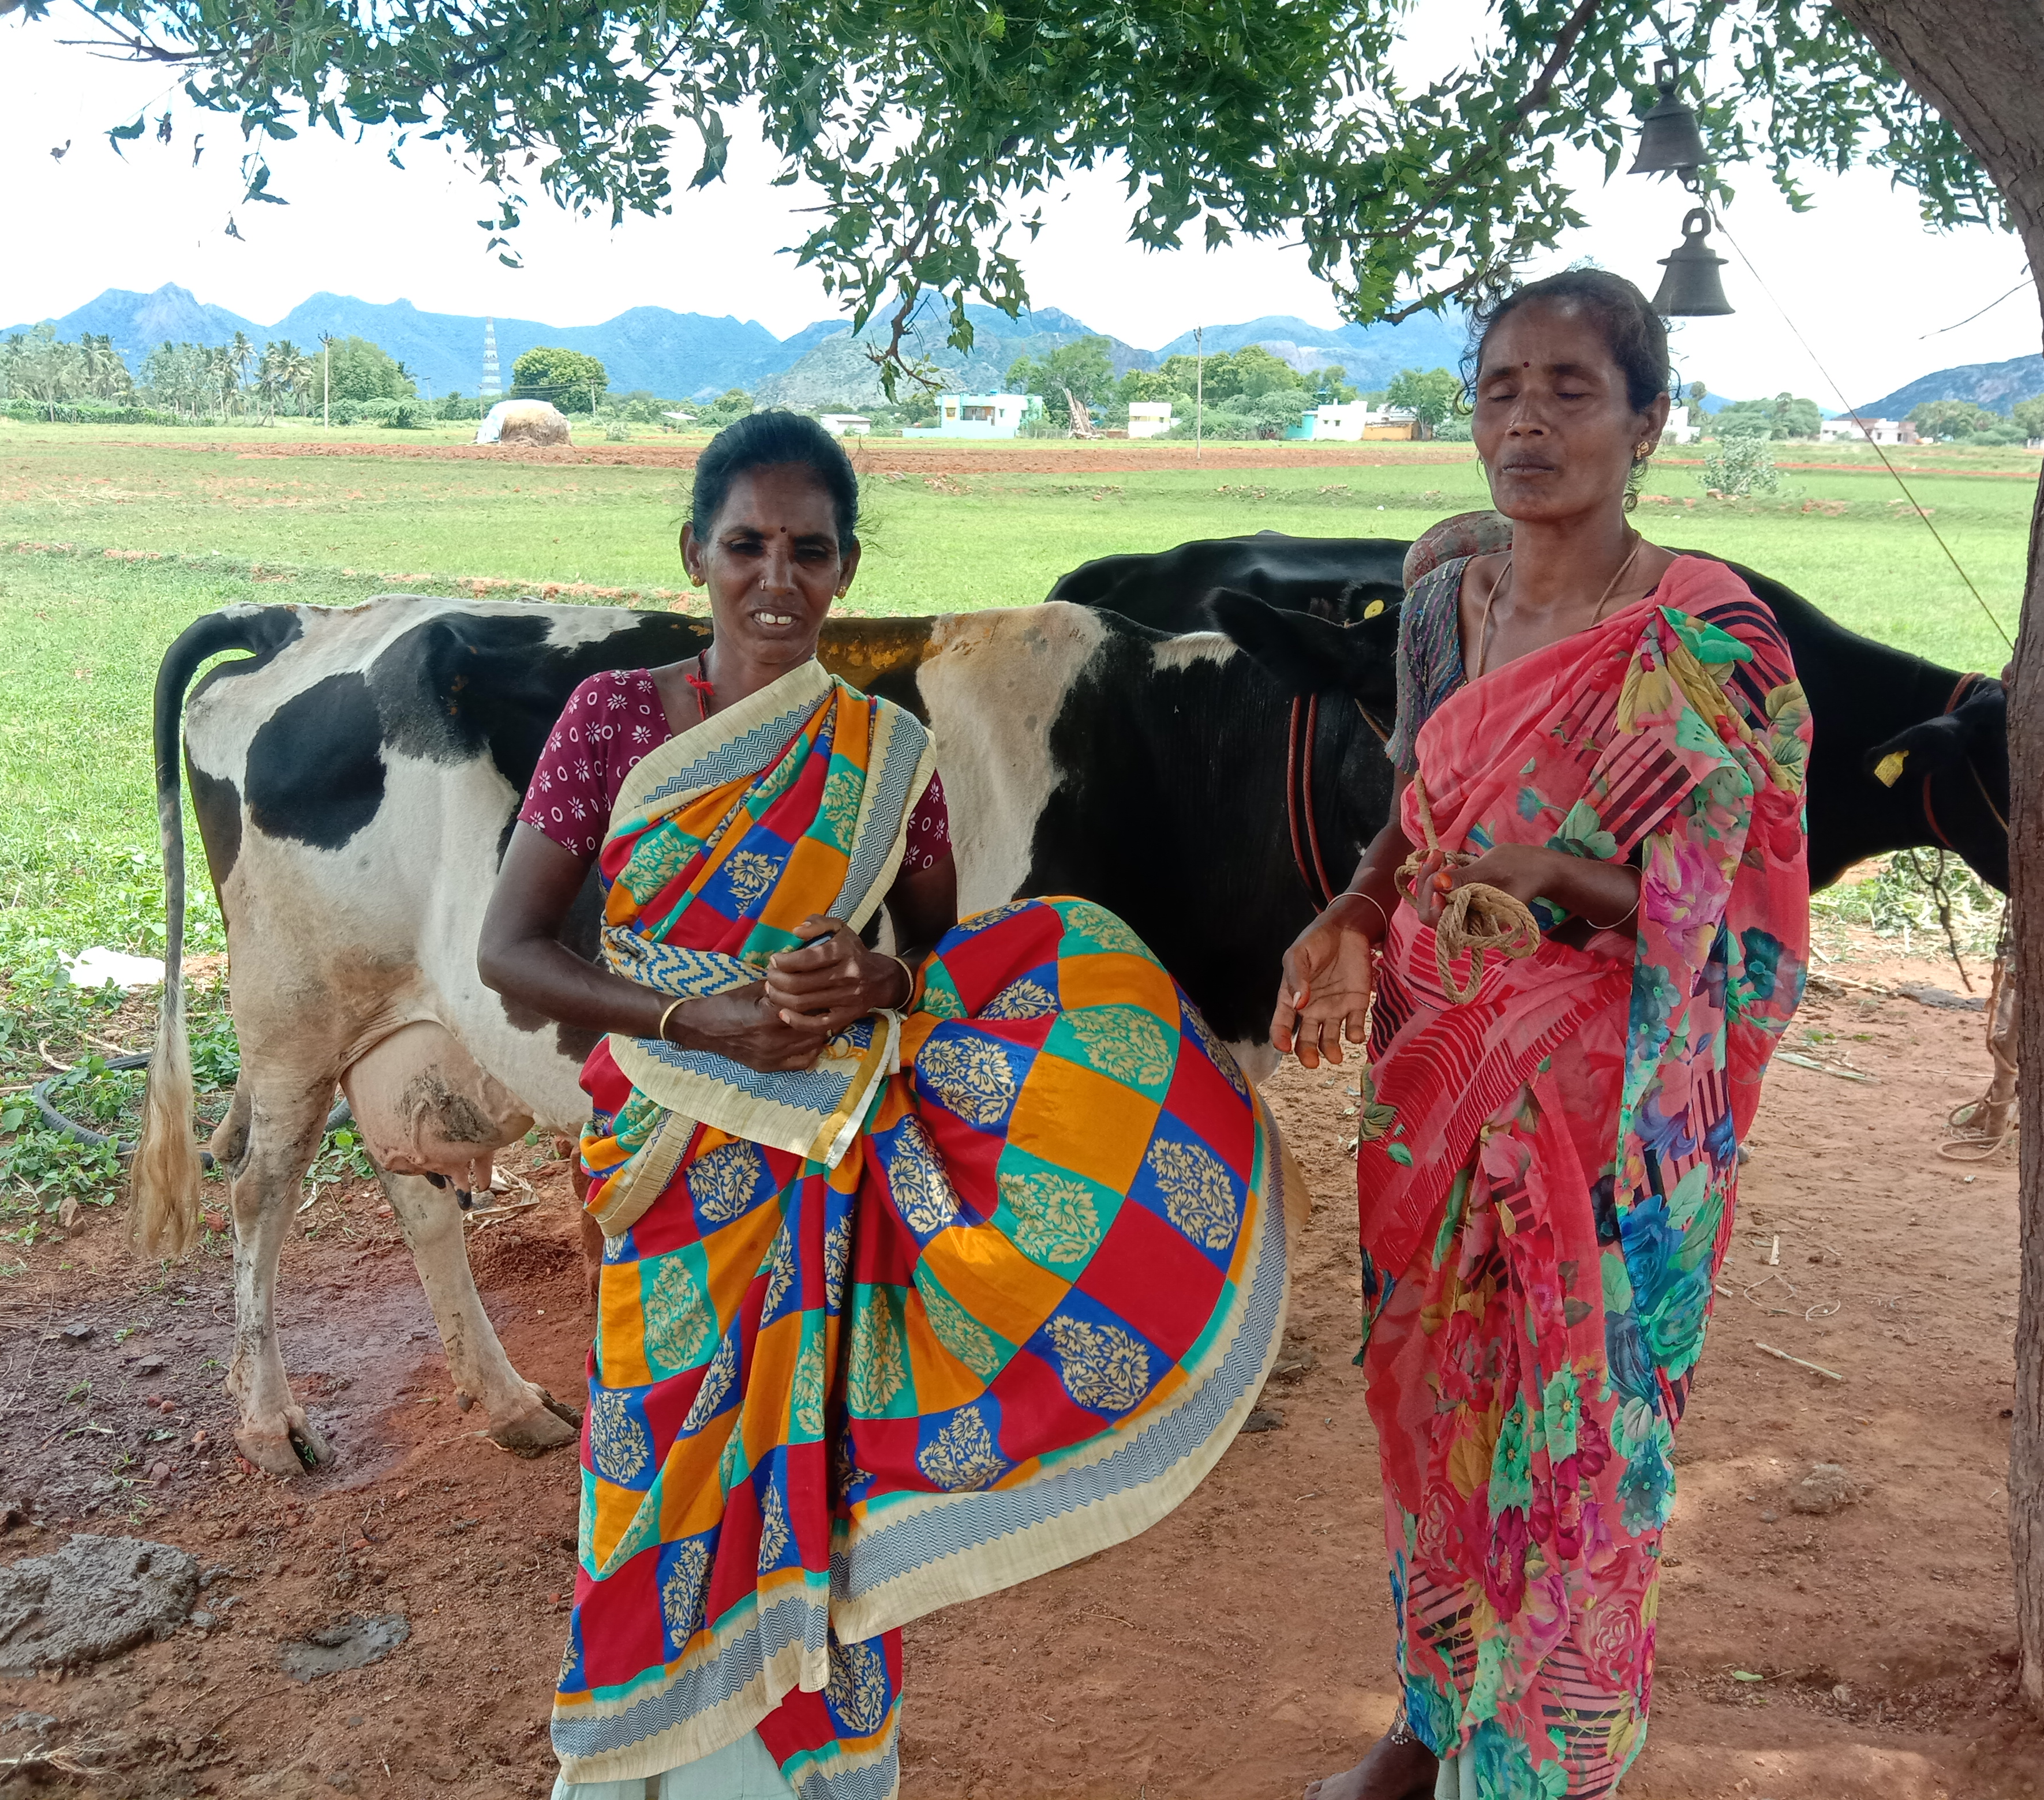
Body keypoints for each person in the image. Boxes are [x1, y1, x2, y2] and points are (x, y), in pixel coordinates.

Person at [480, 410, 1290, 1800]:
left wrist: (871, 978)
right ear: (695, 553)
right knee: (656, 1480)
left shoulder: (884, 750)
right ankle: (645, 1770)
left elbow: (938, 966)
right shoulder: (614, 718)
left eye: (808, 550)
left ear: (847, 567)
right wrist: (694, 1015)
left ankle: (810, 1776)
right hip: (671, 1162)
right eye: (746, 546)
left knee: (824, 1471)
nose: (775, 578)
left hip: (827, 1170)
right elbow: (514, 953)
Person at [1276, 272, 1813, 1799]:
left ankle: (1548, 1759)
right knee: (1434, 1406)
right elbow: (1414, 816)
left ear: (1649, 421)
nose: (1528, 417)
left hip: (1608, 1114)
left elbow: (1745, 912)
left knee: (1575, 1431)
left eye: (1572, 389)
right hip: (1432, 1076)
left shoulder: (1707, 637)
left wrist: (1564, 879)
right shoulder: (1452, 599)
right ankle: (1434, 1717)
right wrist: (1359, 919)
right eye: (1501, 386)